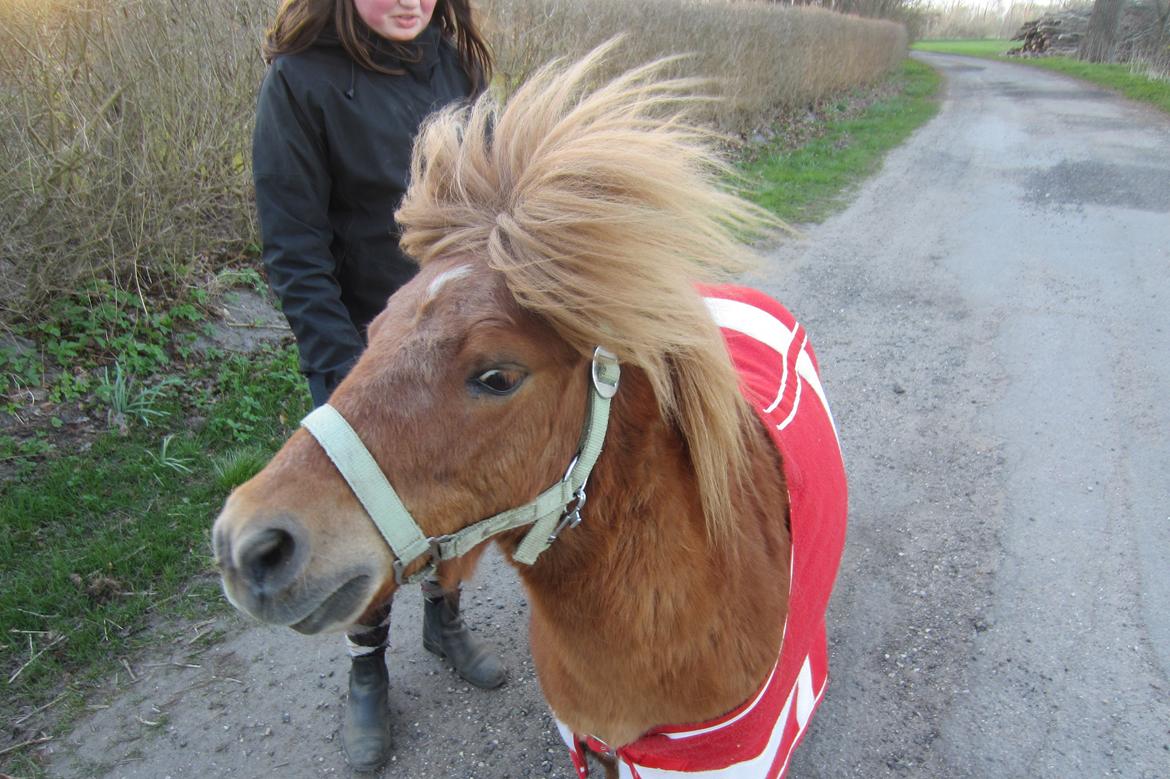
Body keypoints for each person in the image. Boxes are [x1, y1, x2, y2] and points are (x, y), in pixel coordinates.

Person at [251, 0, 502, 770]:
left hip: (454, 346)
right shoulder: (298, 85)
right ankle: (367, 667)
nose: (409, 2)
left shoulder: (456, 64)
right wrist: (339, 377)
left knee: (455, 493)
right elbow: (295, 247)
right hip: (367, 355)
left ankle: (446, 617)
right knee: (367, 515)